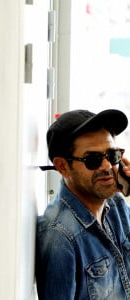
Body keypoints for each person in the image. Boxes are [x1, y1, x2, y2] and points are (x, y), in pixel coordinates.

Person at [35, 109, 130, 299]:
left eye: (112, 156)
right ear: (62, 166)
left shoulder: (116, 205)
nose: (107, 167)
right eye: (92, 160)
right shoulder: (59, 237)